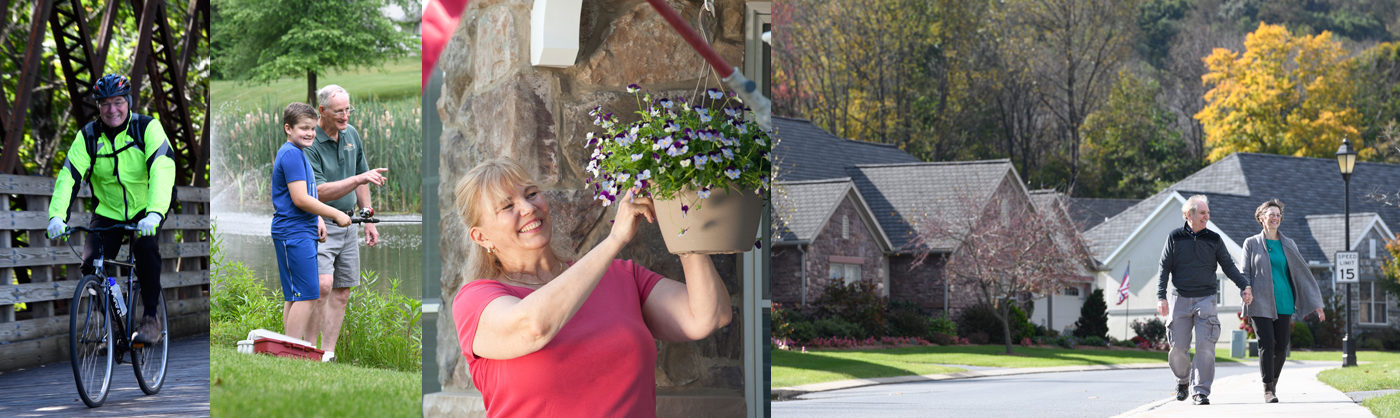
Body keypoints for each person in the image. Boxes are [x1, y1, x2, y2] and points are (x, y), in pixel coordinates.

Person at [452, 158, 732, 417]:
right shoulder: (476, 301)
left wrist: (681, 223)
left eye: (531, 194)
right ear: (481, 236)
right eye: (507, 206)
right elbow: (532, 328)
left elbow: (709, 316)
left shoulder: (619, 276)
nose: (528, 208)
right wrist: (614, 240)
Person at [47, 74, 174, 345]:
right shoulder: (88, 137)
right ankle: (114, 322)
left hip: (146, 208)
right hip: (108, 210)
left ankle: (151, 318)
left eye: (118, 102)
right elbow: (69, 175)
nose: (112, 109)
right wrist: (57, 215)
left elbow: (163, 168)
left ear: (128, 102)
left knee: (145, 248)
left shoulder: (147, 128)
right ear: (98, 107)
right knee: (90, 264)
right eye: (104, 104)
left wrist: (155, 212)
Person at [302, 85, 388, 362]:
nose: (345, 116)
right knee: (322, 285)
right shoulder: (310, 141)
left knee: (341, 292)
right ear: (322, 111)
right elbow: (318, 191)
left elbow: (361, 175)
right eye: (339, 111)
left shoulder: (351, 135)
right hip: (320, 222)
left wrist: (368, 218)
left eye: (348, 110)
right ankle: (308, 350)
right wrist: (358, 180)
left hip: (350, 221)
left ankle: (328, 354)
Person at [1156, 194, 1254, 405]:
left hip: (1206, 299)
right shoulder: (1174, 237)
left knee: (1205, 346)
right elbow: (1164, 268)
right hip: (1179, 298)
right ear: (1189, 214)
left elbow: (1228, 266)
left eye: (1208, 212)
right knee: (1178, 346)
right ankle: (1183, 381)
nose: (1207, 216)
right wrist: (1161, 297)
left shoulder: (1214, 239)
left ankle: (1200, 391)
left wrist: (1244, 286)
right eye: (1203, 213)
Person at [271, 102, 351, 343]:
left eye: (313, 129)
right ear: (288, 128)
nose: (310, 133)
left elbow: (305, 196)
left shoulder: (298, 153)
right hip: (293, 233)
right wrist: (335, 214)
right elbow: (300, 198)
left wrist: (317, 218)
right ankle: (292, 350)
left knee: (295, 295)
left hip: (300, 230)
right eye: (303, 128)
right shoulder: (291, 155)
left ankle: (287, 349)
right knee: (307, 295)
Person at [1240, 199, 1325, 403]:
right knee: (1266, 343)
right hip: (1259, 302)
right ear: (1262, 218)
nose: (1276, 218)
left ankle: (1273, 381)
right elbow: (1245, 272)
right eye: (1271, 214)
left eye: (1278, 215)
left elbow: (1303, 274)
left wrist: (1316, 303)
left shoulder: (1289, 244)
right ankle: (1268, 389)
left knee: (1282, 346)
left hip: (1284, 302)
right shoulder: (1251, 243)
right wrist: (1247, 289)